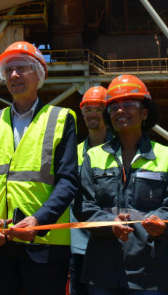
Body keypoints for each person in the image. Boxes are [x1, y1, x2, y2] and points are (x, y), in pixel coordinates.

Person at [0, 41, 78, 295]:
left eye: (22, 68)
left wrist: (39, 221)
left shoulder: (61, 119)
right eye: (8, 70)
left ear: (39, 74)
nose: (14, 75)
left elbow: (68, 180)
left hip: (43, 246)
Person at [74, 74, 168, 295]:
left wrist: (161, 220)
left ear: (145, 113)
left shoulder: (167, 157)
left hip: (149, 271)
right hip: (102, 270)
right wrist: (109, 223)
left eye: (129, 104)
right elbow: (83, 206)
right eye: (114, 107)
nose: (120, 111)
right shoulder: (93, 157)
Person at [71, 85, 111, 295]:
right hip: (78, 245)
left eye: (98, 109)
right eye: (88, 109)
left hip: (112, 242)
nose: (92, 114)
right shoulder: (75, 153)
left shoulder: (120, 150)